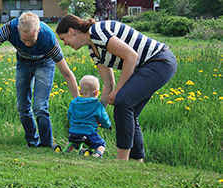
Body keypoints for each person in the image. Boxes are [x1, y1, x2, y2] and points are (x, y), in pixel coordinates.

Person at [56, 15, 177, 161]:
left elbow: (131, 57)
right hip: (147, 66)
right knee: (129, 112)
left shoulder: (97, 32)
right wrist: (96, 112)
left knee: (123, 101)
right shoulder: (93, 51)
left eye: (63, 39)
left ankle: (122, 160)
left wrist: (118, 90)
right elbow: (108, 85)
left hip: (159, 61)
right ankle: (136, 161)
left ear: (71, 31)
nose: (65, 44)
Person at [0, 12, 79, 147]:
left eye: (31, 40)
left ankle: (46, 145)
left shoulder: (48, 39)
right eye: (24, 40)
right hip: (23, 63)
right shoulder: (8, 29)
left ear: (38, 30)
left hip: (44, 63)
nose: (27, 43)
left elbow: (67, 73)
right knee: (22, 107)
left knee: (40, 106)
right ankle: (32, 142)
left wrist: (79, 102)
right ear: (18, 30)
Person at [67, 75, 111, 158]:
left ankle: (67, 150)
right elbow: (104, 119)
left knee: (72, 141)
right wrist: (107, 125)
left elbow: (69, 115)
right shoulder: (97, 105)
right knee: (101, 144)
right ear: (96, 92)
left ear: (80, 92)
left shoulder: (73, 103)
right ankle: (97, 154)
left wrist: (72, 122)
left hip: (74, 131)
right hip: (89, 133)